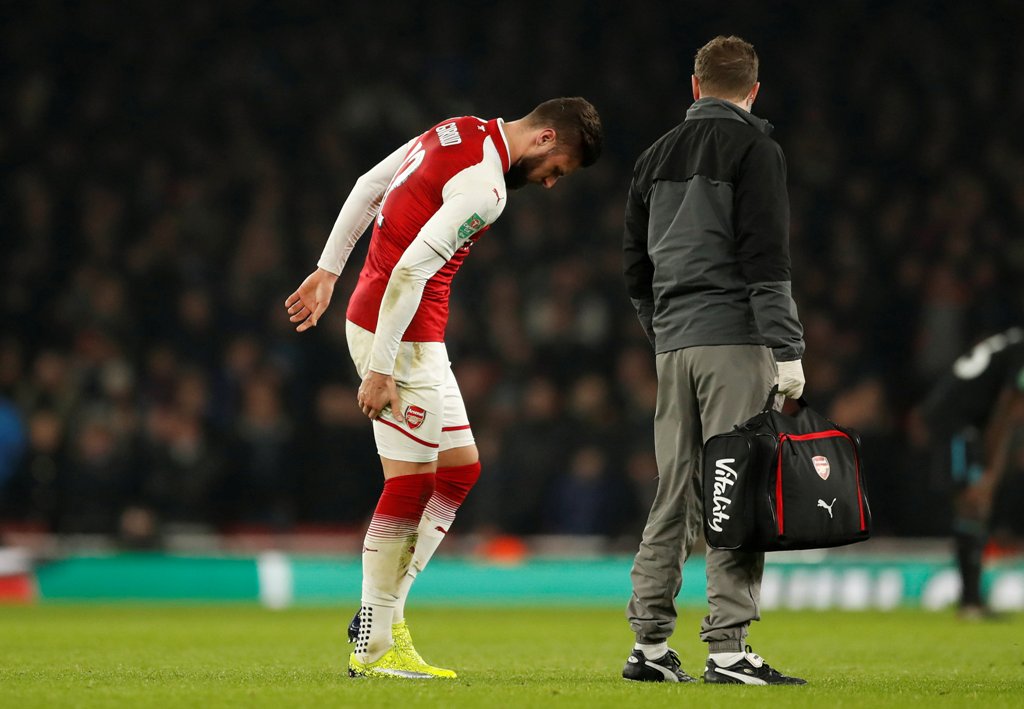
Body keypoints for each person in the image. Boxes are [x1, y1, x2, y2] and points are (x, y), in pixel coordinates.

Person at [285, 98, 603, 679]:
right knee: (410, 483)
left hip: (409, 331)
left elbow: (368, 184)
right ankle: (378, 640)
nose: (553, 183)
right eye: (558, 168)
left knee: (459, 470)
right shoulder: (488, 189)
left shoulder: (459, 130)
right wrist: (381, 367)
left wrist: (330, 269)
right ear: (545, 137)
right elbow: (410, 269)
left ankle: (379, 616)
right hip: (399, 333)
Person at [621, 36, 807, 685]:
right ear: (753, 91)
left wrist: (664, 332)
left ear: (695, 87)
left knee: (674, 489)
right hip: (735, 338)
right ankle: (728, 649)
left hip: (674, 345)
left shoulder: (652, 157)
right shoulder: (757, 149)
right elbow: (765, 259)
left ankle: (648, 644)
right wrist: (787, 349)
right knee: (736, 486)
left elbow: (635, 268)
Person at [915, 327, 1024, 619]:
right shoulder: (1019, 352)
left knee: (973, 506)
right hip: (958, 424)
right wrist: (991, 471)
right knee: (973, 502)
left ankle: (972, 599)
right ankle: (970, 603)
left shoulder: (1012, 342)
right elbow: (1007, 411)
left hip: (956, 419)